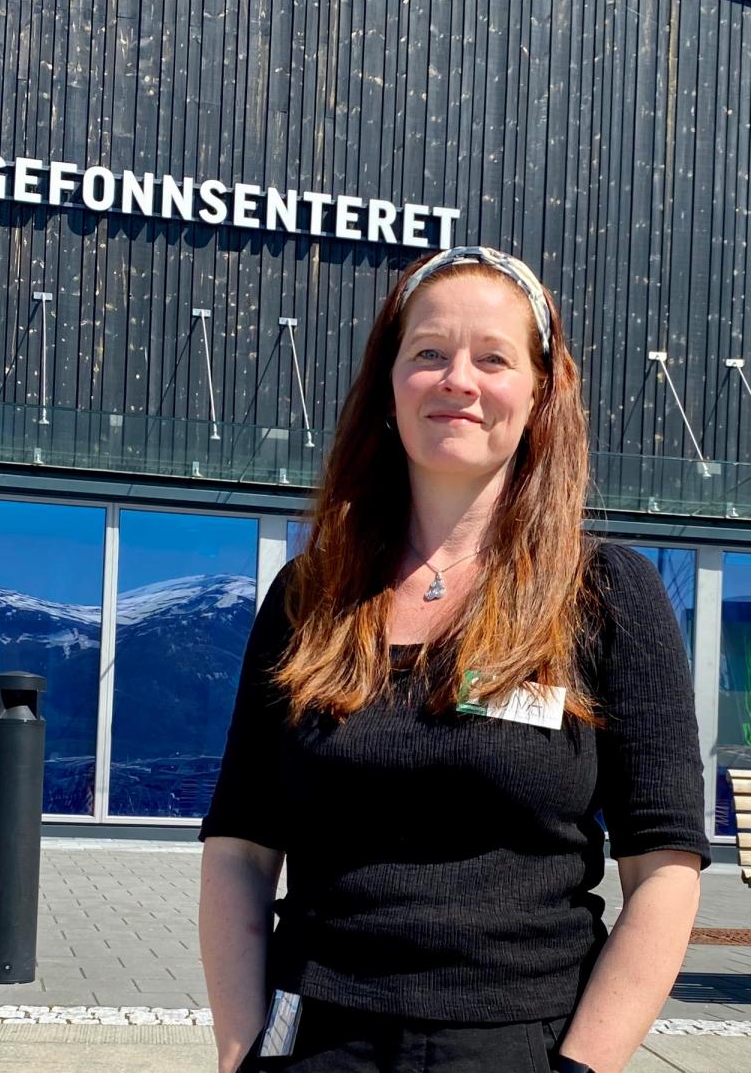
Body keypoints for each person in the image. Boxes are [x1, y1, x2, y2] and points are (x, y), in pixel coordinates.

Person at [198, 246, 708, 1073]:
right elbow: (239, 850)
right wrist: (240, 1051)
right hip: (314, 1034)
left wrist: (582, 1066)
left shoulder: (608, 595)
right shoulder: (310, 596)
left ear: (540, 392)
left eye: (493, 358)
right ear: (389, 384)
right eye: (429, 351)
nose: (457, 380)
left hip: (520, 1043)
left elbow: (665, 869)